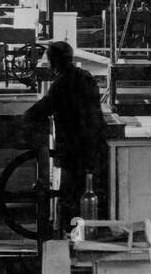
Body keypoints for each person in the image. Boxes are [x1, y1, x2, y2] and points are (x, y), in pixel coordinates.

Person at [24, 40, 109, 234]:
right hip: (95, 144)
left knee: (71, 194)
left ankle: (72, 237)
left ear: (55, 62)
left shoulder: (61, 84)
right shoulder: (86, 77)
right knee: (92, 192)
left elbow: (43, 108)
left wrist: (24, 117)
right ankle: (92, 234)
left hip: (74, 148)